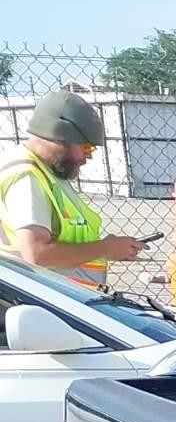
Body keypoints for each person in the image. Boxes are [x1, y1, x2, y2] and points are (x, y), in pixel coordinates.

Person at [3, 91, 147, 282]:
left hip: (63, 301)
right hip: (48, 303)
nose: (89, 156)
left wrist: (109, 250)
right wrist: (106, 247)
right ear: (56, 136)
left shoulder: (48, 173)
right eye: (86, 147)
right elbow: (37, 254)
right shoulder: (26, 177)